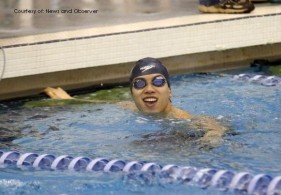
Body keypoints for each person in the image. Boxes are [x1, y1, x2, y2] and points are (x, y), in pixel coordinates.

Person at [44, 57, 228, 147]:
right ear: (132, 94)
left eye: (158, 81)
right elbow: (109, 104)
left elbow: (214, 127)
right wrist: (72, 101)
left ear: (170, 90)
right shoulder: (133, 108)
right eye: (140, 83)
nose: (149, 89)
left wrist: (209, 140)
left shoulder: (180, 118)